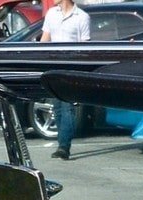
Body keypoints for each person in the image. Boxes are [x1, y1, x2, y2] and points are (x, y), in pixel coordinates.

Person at [40, 0, 90, 160]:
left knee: (68, 107)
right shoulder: (51, 14)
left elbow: (85, 46)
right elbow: (45, 39)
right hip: (53, 66)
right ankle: (61, 143)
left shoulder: (81, 17)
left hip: (71, 67)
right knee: (57, 107)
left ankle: (64, 146)